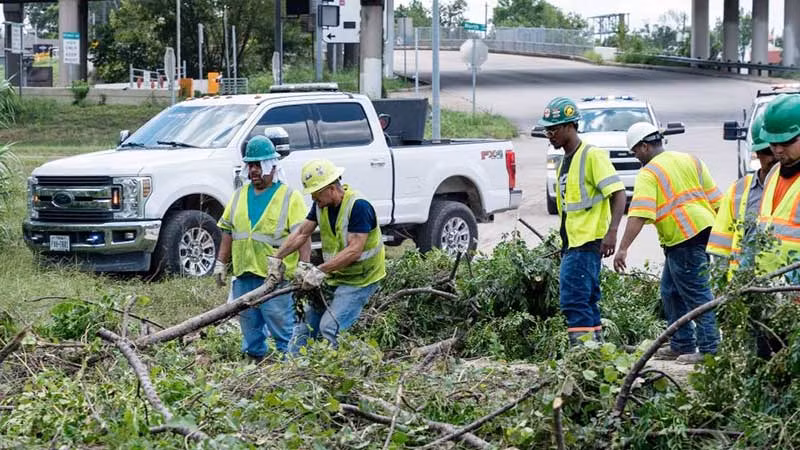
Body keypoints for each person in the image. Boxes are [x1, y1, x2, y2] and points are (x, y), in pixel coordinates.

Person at [614, 122, 722, 365]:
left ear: (643, 146)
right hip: (701, 231)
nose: (635, 157)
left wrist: (623, 248)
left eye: (634, 152)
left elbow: (640, 214)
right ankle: (681, 343)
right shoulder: (690, 160)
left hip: (685, 237)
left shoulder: (649, 172)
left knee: (697, 294)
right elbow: (717, 199)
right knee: (671, 292)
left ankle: (710, 348)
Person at [538, 97, 627, 346]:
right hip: (573, 246)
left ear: (570, 126)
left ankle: (582, 355)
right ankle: (595, 353)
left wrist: (612, 233)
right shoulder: (563, 163)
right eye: (546, 129)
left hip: (587, 244)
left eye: (553, 129)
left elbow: (618, 194)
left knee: (574, 301)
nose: (549, 134)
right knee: (586, 300)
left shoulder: (591, 156)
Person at [271, 159, 386, 351]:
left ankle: (337, 372)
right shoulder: (320, 206)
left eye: (316, 195)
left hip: (360, 280)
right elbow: (301, 233)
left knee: (330, 327)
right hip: (335, 276)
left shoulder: (359, 206)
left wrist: (319, 271)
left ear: (331, 188)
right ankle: (292, 371)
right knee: (305, 328)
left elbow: (354, 250)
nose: (314, 199)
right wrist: (277, 258)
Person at [214, 135, 310, 360]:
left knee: (280, 324)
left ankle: (290, 367)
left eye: (259, 165)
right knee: (249, 325)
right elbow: (228, 231)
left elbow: (302, 235)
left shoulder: (289, 196)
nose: (254, 170)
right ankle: (255, 362)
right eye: (251, 165)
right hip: (244, 273)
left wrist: (304, 265)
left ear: (271, 166)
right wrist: (221, 263)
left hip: (274, 277)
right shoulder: (239, 196)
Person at [707, 112, 778, 277]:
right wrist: (722, 285)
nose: (775, 156)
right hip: (744, 286)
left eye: (780, 147)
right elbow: (721, 246)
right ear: (757, 154)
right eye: (768, 151)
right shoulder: (738, 191)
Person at [755, 94, 800, 286]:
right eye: (773, 144)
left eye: (786, 142)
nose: (778, 150)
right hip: (770, 289)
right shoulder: (773, 174)